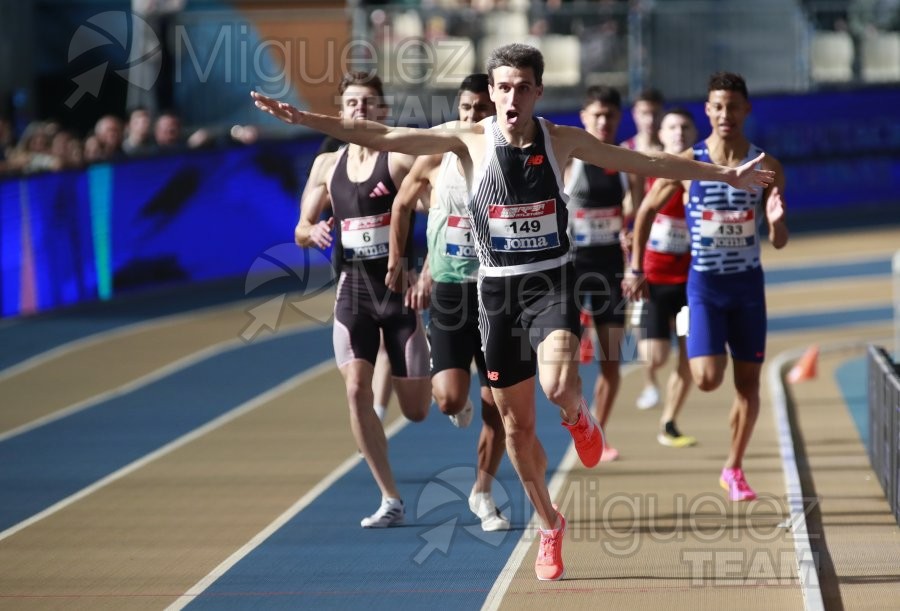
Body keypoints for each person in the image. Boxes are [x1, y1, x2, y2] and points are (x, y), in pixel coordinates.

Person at [252, 44, 774, 580]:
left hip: (552, 286)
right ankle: (550, 525)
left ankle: (578, 416)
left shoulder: (560, 140)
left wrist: (725, 176)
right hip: (495, 295)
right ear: (493, 91)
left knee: (555, 387)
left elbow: (647, 161)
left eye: (522, 86)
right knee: (516, 428)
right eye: (502, 87)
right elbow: (384, 137)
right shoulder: (468, 139)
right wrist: (305, 119)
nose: (510, 97)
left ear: (537, 91)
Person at [623, 72, 788, 501]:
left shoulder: (767, 166)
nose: (725, 114)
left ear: (746, 109)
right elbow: (643, 213)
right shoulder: (688, 163)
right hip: (704, 287)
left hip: (749, 287)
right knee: (708, 378)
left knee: (748, 386)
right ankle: (689, 340)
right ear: (708, 111)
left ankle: (734, 467)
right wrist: (635, 267)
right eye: (718, 106)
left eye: (733, 106)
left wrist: (776, 222)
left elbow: (781, 239)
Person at [291, 71, 432, 528]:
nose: (359, 111)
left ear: (382, 111)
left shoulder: (397, 159)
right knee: (356, 392)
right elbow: (299, 229)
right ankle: (390, 498)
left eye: (369, 103)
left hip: (399, 294)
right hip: (352, 291)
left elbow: (438, 201)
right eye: (351, 103)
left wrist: (427, 264)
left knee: (417, 410)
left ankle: (447, 393)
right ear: (340, 111)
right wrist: (311, 231)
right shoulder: (325, 167)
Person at [387, 73, 510, 531]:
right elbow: (401, 205)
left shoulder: (504, 160)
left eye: (481, 109)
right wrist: (399, 262)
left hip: (497, 293)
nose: (472, 117)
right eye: (466, 108)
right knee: (449, 399)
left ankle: (483, 492)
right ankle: (457, 402)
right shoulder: (436, 157)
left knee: (499, 404)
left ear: (494, 112)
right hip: (451, 293)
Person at [564, 85, 630, 462]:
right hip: (572, 272)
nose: (603, 122)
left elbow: (635, 211)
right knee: (567, 367)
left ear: (618, 119)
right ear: (584, 118)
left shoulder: (623, 162)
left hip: (610, 273)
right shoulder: (569, 161)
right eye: (596, 115)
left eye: (610, 116)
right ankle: (577, 418)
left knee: (611, 361)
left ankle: (598, 436)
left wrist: (632, 233)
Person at [631, 108, 699, 448]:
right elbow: (633, 209)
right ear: (661, 133)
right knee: (656, 355)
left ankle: (669, 420)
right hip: (653, 280)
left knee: (688, 355)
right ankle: (649, 381)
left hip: (688, 284)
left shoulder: (702, 171)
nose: (679, 132)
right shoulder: (647, 167)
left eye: (685, 126)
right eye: (672, 126)